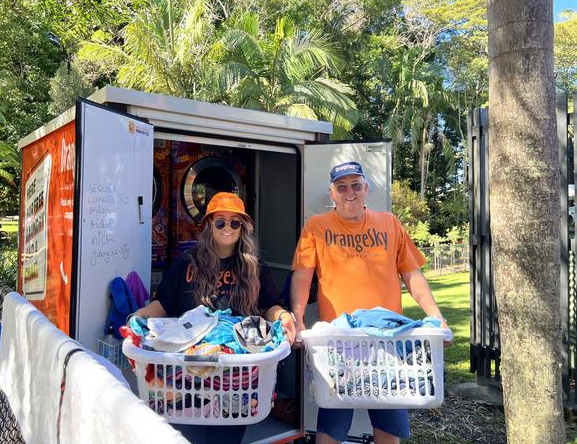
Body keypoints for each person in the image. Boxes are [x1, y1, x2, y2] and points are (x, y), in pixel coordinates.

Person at [290, 161, 450, 444]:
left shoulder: (390, 223)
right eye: (341, 187)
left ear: (365, 188)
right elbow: (303, 278)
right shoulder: (316, 226)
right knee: (331, 427)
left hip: (389, 344)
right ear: (332, 193)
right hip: (339, 344)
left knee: (389, 428)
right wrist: (299, 318)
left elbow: (413, 276)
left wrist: (437, 317)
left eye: (355, 185)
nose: (348, 192)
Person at [132, 191, 296, 444]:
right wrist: (139, 317)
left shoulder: (255, 267)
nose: (227, 228)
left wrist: (283, 315)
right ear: (208, 225)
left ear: (243, 227)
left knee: (226, 437)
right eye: (220, 221)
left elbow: (268, 306)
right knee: (186, 436)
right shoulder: (185, 263)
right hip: (186, 371)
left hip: (235, 374)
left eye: (235, 222)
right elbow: (163, 304)